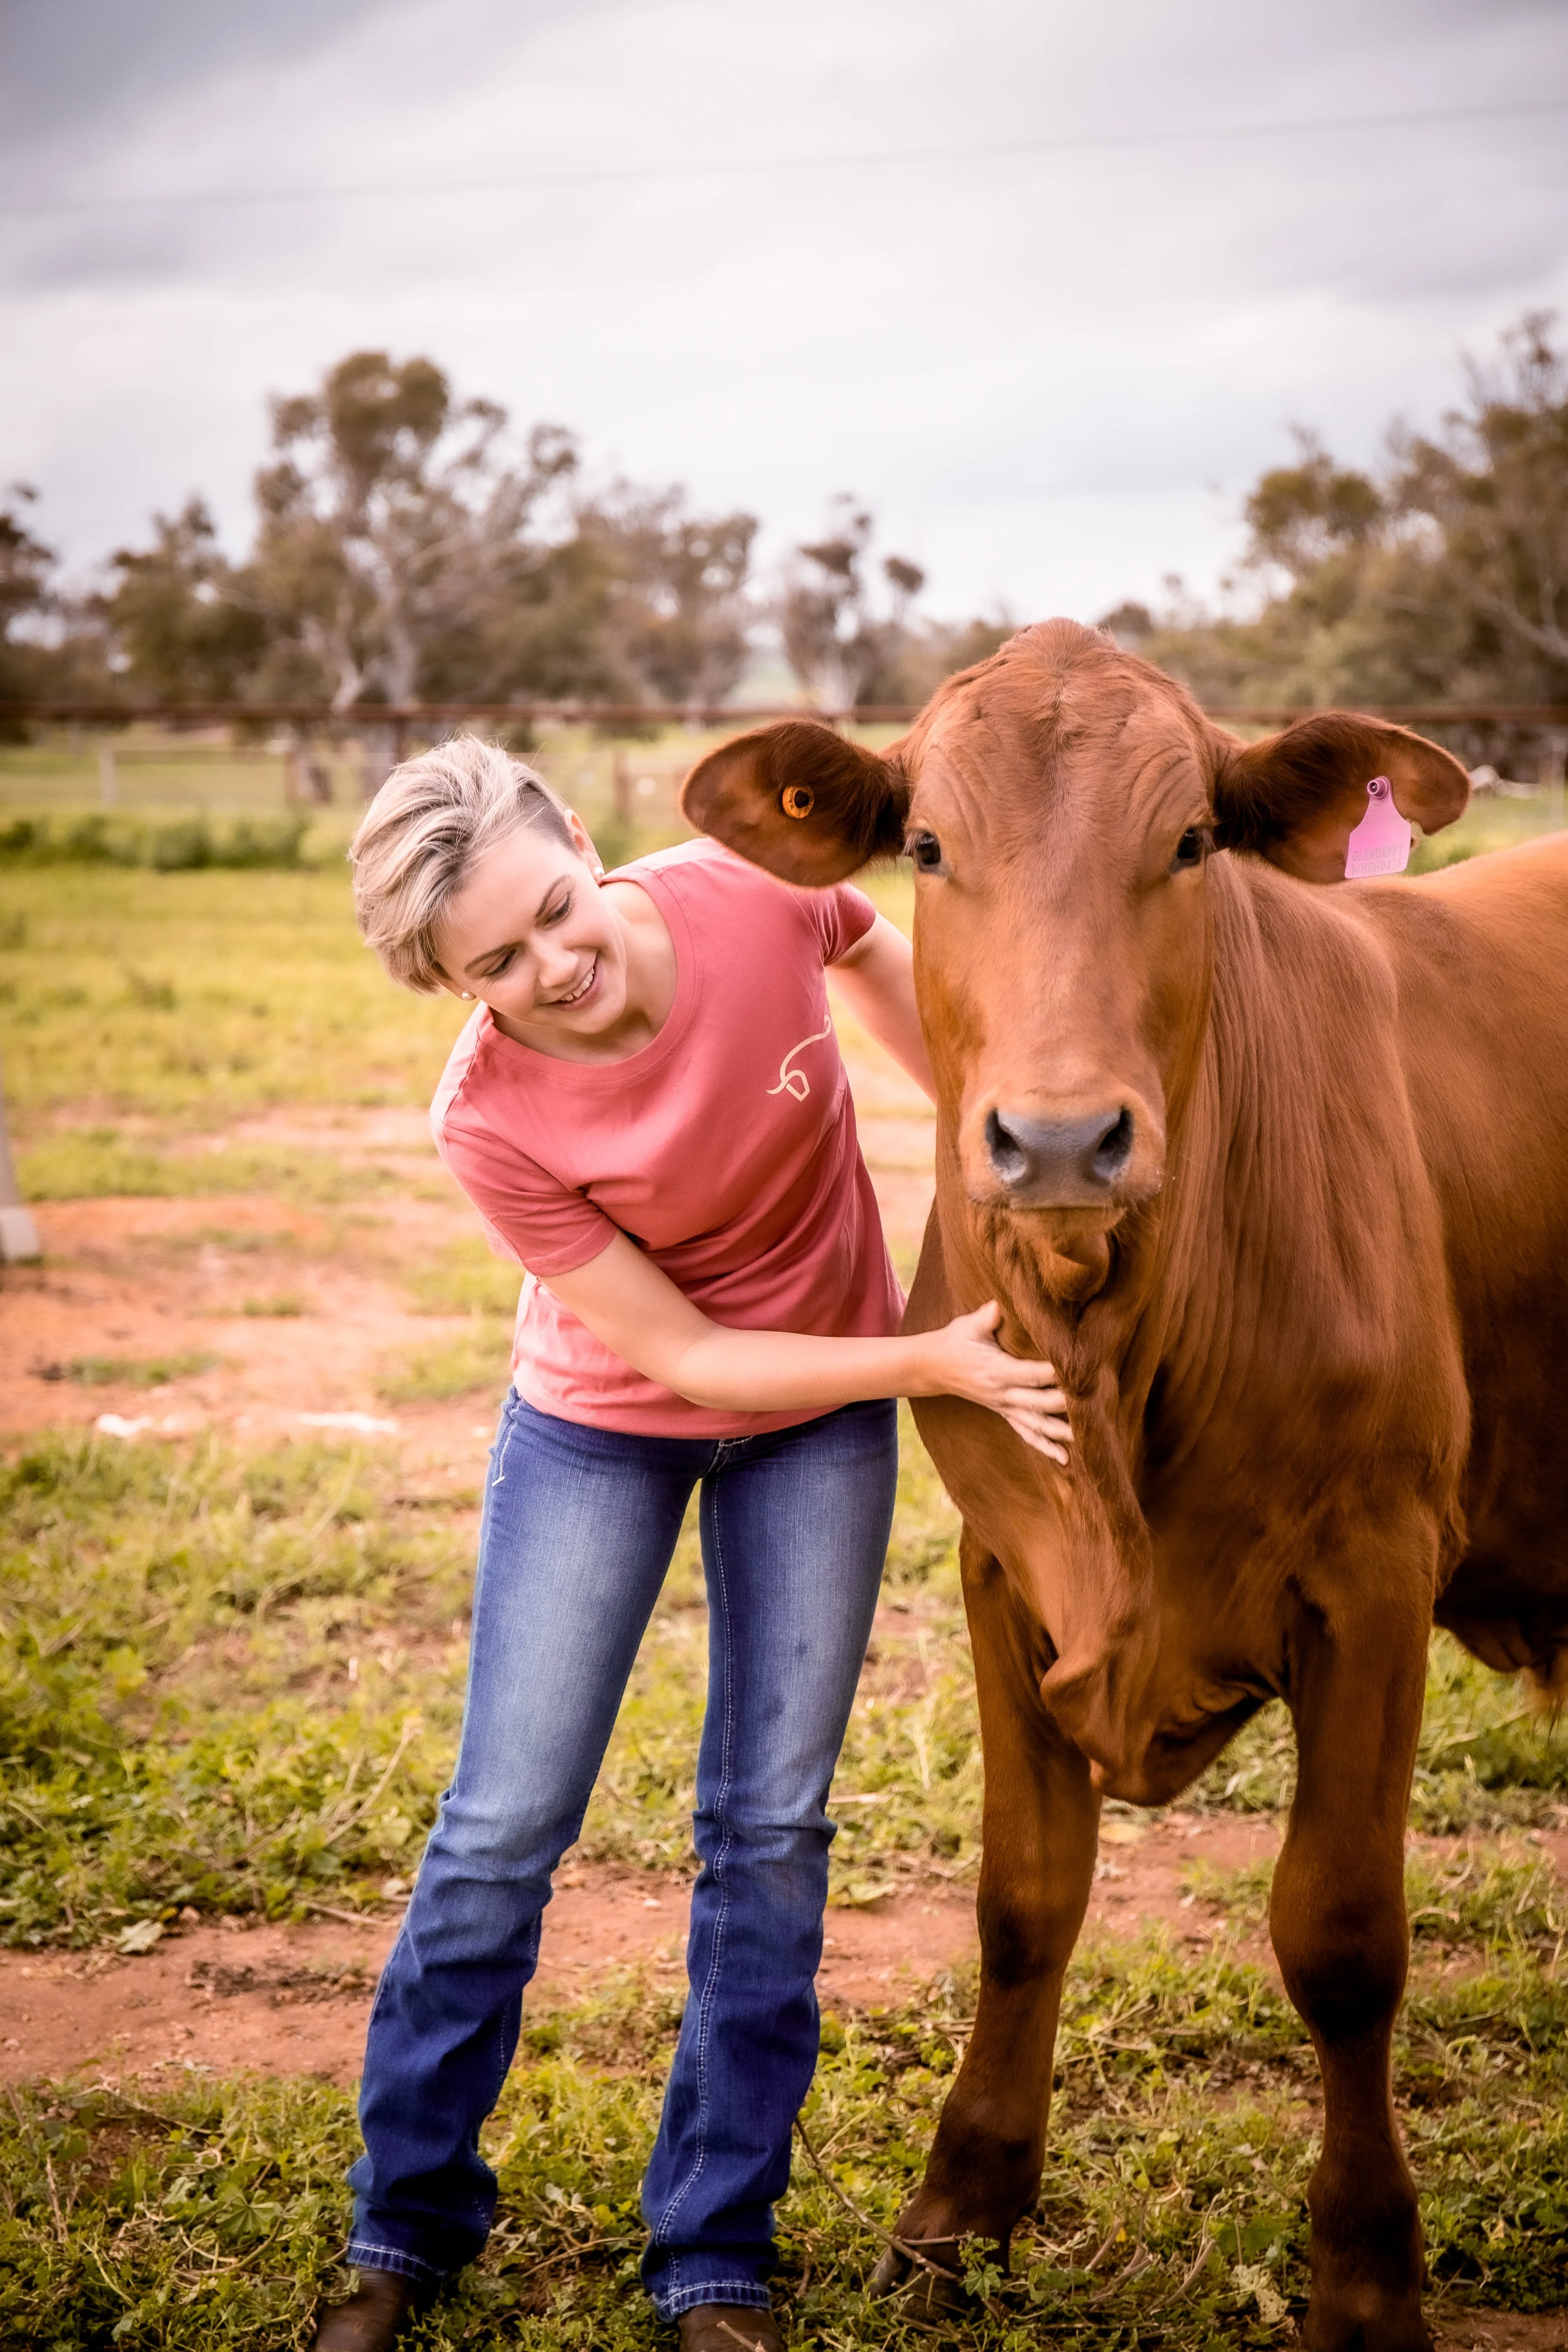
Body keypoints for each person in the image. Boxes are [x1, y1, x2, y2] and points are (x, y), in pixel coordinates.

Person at [315, 738, 1071, 2352]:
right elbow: (699, 1362)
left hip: (820, 1425)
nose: (554, 968)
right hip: (610, 1423)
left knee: (771, 1827)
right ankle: (404, 2227)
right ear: (451, 988)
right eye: (495, 968)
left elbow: (864, 942)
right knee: (503, 1827)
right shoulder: (489, 1117)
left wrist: (979, 1120)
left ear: (587, 842)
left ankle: (714, 2253)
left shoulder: (744, 895)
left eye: (555, 910)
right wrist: (930, 1360)